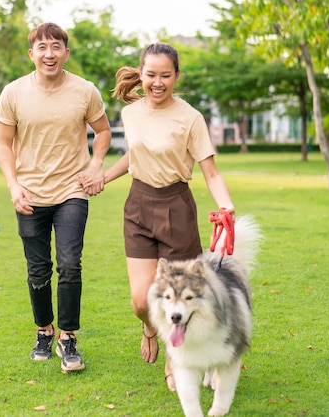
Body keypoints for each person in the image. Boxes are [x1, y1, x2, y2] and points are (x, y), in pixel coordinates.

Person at [80, 42, 235, 391]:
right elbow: (134, 156)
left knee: (176, 298)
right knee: (141, 300)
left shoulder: (190, 118)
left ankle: (172, 355)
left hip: (176, 207)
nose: (158, 82)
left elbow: (210, 172)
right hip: (138, 206)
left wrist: (225, 206)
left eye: (166, 75)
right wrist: (103, 175)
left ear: (176, 76)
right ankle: (150, 327)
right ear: (142, 74)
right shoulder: (131, 113)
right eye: (151, 75)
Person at [0, 22, 111, 373]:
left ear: (66, 52)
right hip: (29, 192)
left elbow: (102, 131)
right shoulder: (13, 93)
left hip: (72, 189)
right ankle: (43, 330)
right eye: (42, 47)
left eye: (56, 47)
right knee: (38, 270)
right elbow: (3, 143)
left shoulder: (85, 90)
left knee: (70, 264)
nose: (49, 54)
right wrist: (14, 186)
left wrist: (96, 165)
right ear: (32, 54)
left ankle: (68, 338)